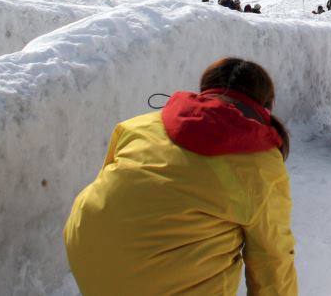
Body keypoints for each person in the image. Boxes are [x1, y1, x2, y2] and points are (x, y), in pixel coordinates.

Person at [64, 58, 297, 296]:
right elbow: (272, 258)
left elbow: (115, 186)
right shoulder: (259, 162)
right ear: (265, 105)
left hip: (89, 256)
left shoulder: (137, 125)